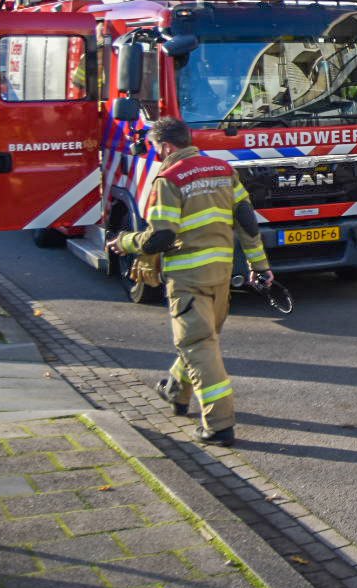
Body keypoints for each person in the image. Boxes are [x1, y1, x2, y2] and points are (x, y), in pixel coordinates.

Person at [108, 117, 272, 448]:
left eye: (156, 149)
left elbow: (161, 237)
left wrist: (123, 242)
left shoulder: (168, 179)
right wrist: (260, 266)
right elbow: (247, 222)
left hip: (188, 279)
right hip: (222, 275)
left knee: (197, 345)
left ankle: (219, 424)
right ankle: (175, 392)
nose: (156, 154)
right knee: (202, 339)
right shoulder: (223, 170)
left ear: (167, 146)